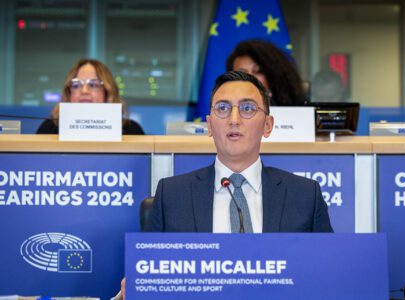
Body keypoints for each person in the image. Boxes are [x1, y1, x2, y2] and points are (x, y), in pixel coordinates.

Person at [116, 70, 332, 299]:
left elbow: (329, 277)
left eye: (248, 108)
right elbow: (148, 280)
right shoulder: (172, 195)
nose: (234, 119)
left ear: (268, 125)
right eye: (223, 108)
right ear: (209, 125)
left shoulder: (304, 195)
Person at [36, 59, 144, 135]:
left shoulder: (131, 130)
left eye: (93, 85)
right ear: (69, 93)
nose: (84, 91)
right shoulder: (49, 129)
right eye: (76, 85)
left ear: (108, 92)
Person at [226, 39, 308, 106]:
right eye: (242, 73)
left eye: (258, 71)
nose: (249, 78)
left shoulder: (299, 112)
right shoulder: (223, 113)